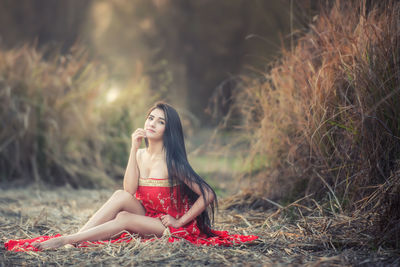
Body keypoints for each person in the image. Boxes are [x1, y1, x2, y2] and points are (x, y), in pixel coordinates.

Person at [5, 101, 257, 251]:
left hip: (167, 225)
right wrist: (133, 148)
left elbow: (208, 194)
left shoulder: (173, 161)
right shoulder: (140, 154)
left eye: (160, 122)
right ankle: (75, 239)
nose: (151, 123)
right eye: (150, 118)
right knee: (119, 196)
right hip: (146, 214)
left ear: (168, 131)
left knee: (124, 216)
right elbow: (128, 191)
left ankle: (66, 240)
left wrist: (180, 222)